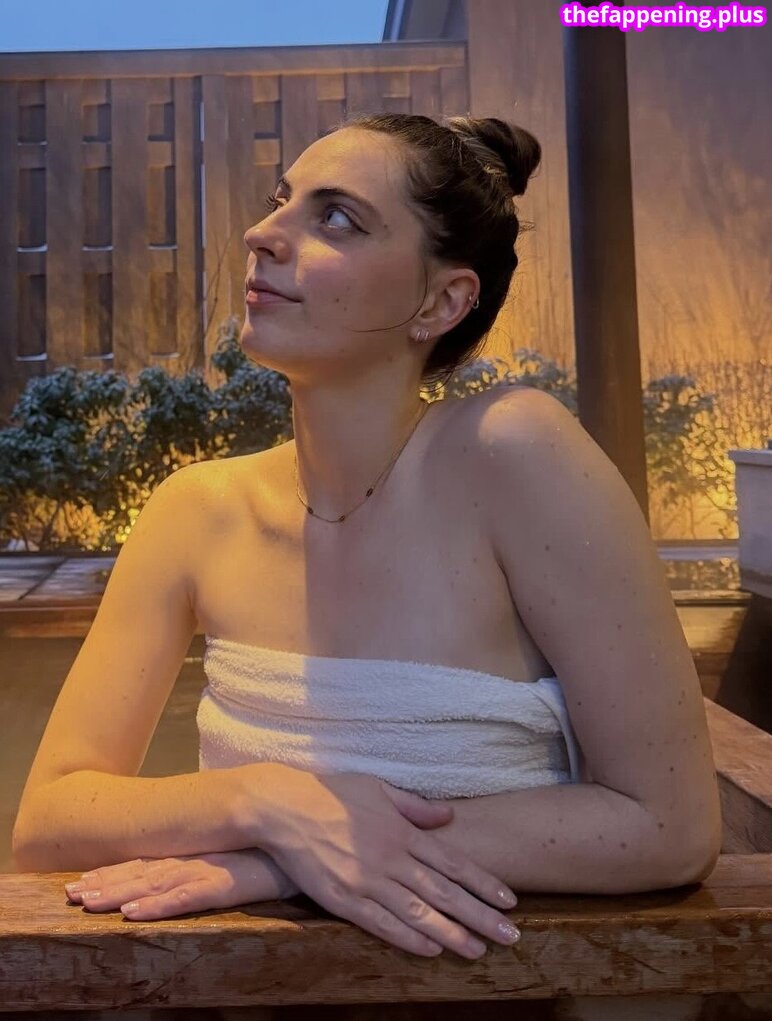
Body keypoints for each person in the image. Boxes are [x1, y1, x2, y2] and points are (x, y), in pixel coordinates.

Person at [12, 113, 722, 963]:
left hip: (500, 1005)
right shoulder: (194, 509)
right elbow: (50, 821)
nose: (262, 234)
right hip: (247, 1006)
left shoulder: (513, 453)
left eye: (337, 218)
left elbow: (669, 824)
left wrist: (285, 862)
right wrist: (268, 804)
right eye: (280, 200)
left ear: (440, 301)